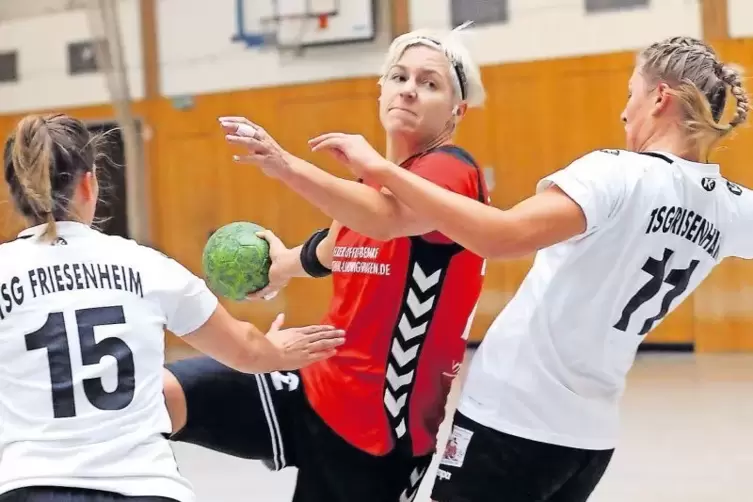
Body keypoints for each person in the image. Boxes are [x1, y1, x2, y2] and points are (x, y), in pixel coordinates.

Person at [308, 36, 751, 501]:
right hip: (589, 441)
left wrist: (382, 171)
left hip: (512, 418)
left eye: (630, 94)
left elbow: (500, 236)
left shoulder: (616, 173)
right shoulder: (729, 207)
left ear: (659, 98)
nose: (624, 112)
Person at [163, 25, 489, 502]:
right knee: (161, 396)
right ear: (381, 89)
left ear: (456, 111)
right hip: (312, 382)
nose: (409, 89)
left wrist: (283, 164)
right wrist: (280, 266)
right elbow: (337, 244)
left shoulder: (452, 170)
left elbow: (384, 221)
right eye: (398, 76)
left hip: (377, 434)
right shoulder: (373, 184)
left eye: (429, 82)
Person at [0, 113, 345, 502]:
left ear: (18, 192)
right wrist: (278, 351)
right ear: (89, 182)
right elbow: (246, 350)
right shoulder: (145, 264)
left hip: (29, 487)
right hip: (144, 486)